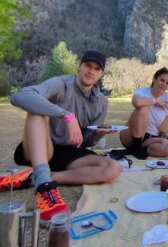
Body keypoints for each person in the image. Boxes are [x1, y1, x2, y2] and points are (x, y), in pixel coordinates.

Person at [2, 51, 121, 224]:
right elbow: (19, 95)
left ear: (101, 74)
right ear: (79, 67)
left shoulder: (101, 101)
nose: (91, 71)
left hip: (68, 152)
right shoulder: (61, 84)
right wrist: (65, 115)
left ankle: (37, 176)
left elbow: (86, 142)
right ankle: (44, 188)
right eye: (88, 65)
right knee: (37, 113)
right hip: (42, 146)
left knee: (112, 168)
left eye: (97, 68)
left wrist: (97, 133)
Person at [120, 67, 168, 159]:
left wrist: (162, 138)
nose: (164, 84)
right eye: (162, 80)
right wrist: (156, 101)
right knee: (143, 107)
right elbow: (137, 102)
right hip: (130, 135)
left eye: (167, 83)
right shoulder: (142, 91)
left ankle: (139, 149)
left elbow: (164, 124)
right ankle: (136, 147)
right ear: (154, 79)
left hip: (150, 139)